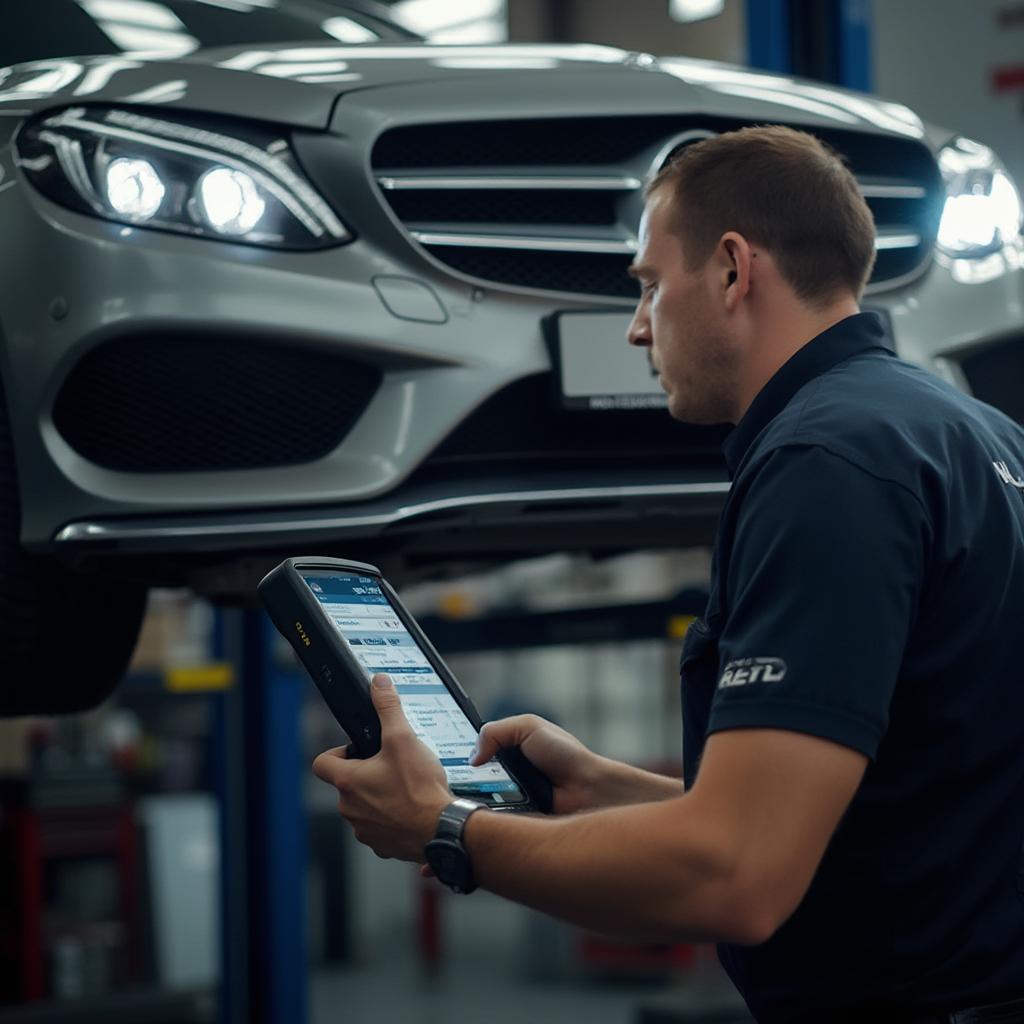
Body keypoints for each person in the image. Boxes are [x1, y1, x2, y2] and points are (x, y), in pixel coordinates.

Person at [313, 125, 1024, 1022]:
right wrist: (599, 791)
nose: (638, 326)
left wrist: (447, 830)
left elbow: (738, 877)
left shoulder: (824, 461)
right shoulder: (979, 436)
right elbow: (892, 810)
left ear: (732, 269)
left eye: (650, 284)